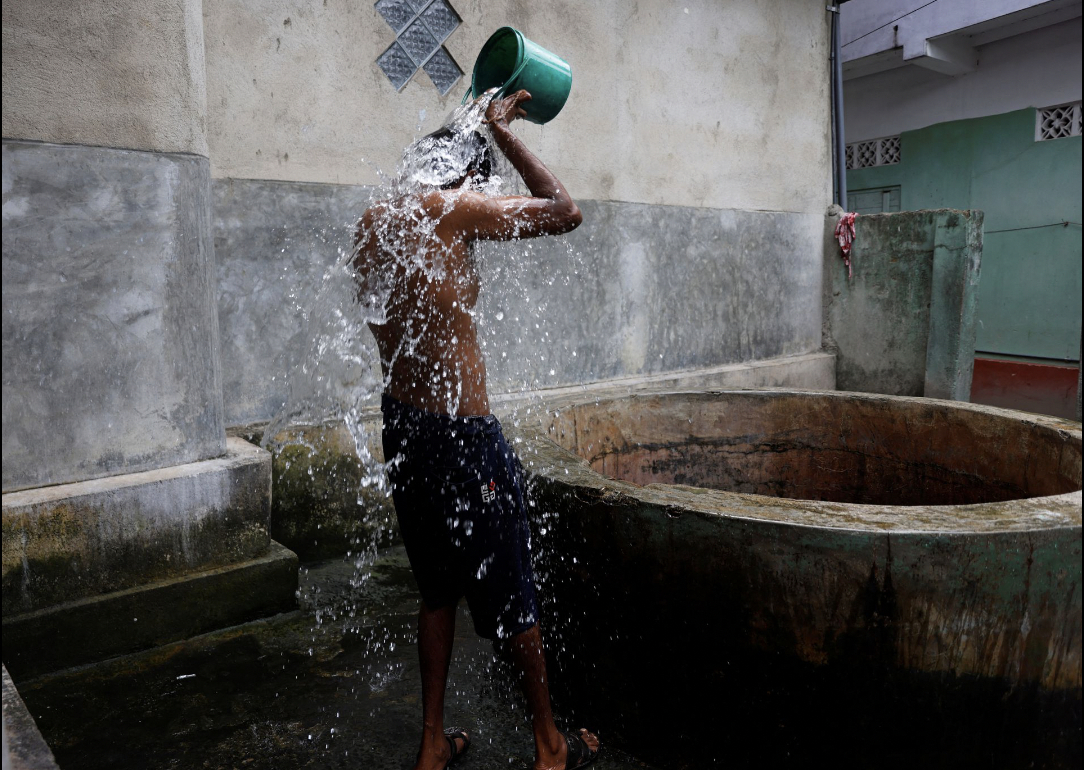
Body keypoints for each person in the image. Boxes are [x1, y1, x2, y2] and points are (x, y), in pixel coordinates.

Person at [353, 90, 601, 770]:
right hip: (463, 438)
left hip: (403, 431)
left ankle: (432, 744)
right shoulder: (448, 207)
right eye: (481, 180)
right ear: (463, 177)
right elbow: (562, 211)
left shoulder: (375, 221)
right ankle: (551, 746)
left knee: (437, 587)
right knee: (513, 589)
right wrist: (504, 133)